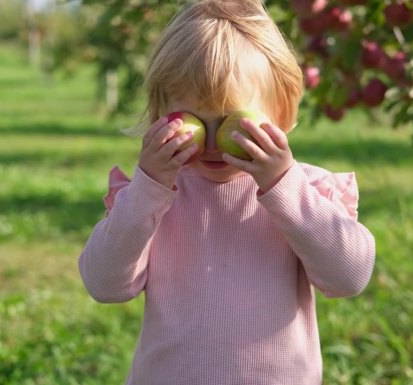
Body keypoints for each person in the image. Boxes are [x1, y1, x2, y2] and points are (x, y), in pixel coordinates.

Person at [78, 1, 376, 384]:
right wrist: (148, 188)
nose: (215, 142)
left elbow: (349, 277)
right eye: (193, 122)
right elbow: (104, 284)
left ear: (279, 116)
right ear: (160, 115)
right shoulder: (153, 197)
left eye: (232, 121)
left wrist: (283, 185)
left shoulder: (302, 193)